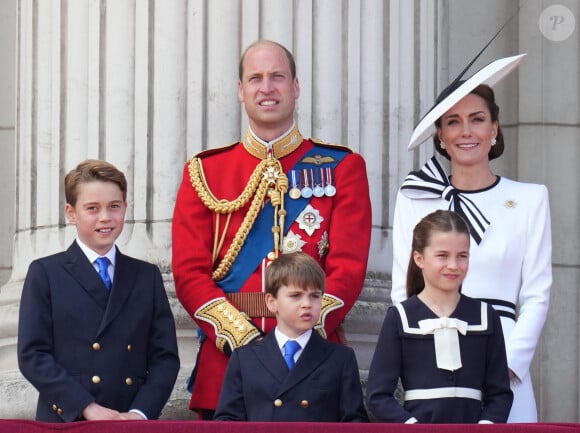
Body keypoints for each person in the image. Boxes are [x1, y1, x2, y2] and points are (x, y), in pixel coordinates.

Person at [172, 40, 372, 419]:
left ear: (295, 87)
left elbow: (347, 269)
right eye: (256, 78)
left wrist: (300, 332)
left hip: (314, 365)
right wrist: (245, 341)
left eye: (277, 77)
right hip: (228, 364)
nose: (266, 87)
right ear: (241, 90)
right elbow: (189, 274)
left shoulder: (342, 167)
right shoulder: (205, 172)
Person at [390, 55, 552, 422]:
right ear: (441, 137)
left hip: (505, 358)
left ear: (494, 128)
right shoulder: (416, 197)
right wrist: (420, 360)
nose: (466, 131)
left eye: (477, 119)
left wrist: (506, 368)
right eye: (453, 122)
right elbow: (402, 290)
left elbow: (537, 294)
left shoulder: (530, 199)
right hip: (434, 353)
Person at [18, 159, 180, 422]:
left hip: (129, 420)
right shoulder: (45, 273)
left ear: (125, 209)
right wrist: (86, 407)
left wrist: (140, 413)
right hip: (69, 421)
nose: (105, 217)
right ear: (71, 213)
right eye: (92, 208)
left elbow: (165, 357)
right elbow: (32, 355)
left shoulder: (146, 276)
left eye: (114, 206)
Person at [368, 210, 513, 423]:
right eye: (442, 255)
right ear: (419, 258)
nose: (453, 265)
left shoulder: (486, 316)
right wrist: (412, 426)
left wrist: (486, 426)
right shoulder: (400, 317)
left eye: (462, 256)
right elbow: (378, 396)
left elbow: (500, 393)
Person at [214, 252, 368, 422]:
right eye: (295, 296)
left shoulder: (340, 358)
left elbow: (354, 422)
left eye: (315, 296)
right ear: (271, 302)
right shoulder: (245, 358)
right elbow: (228, 423)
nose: (307, 304)